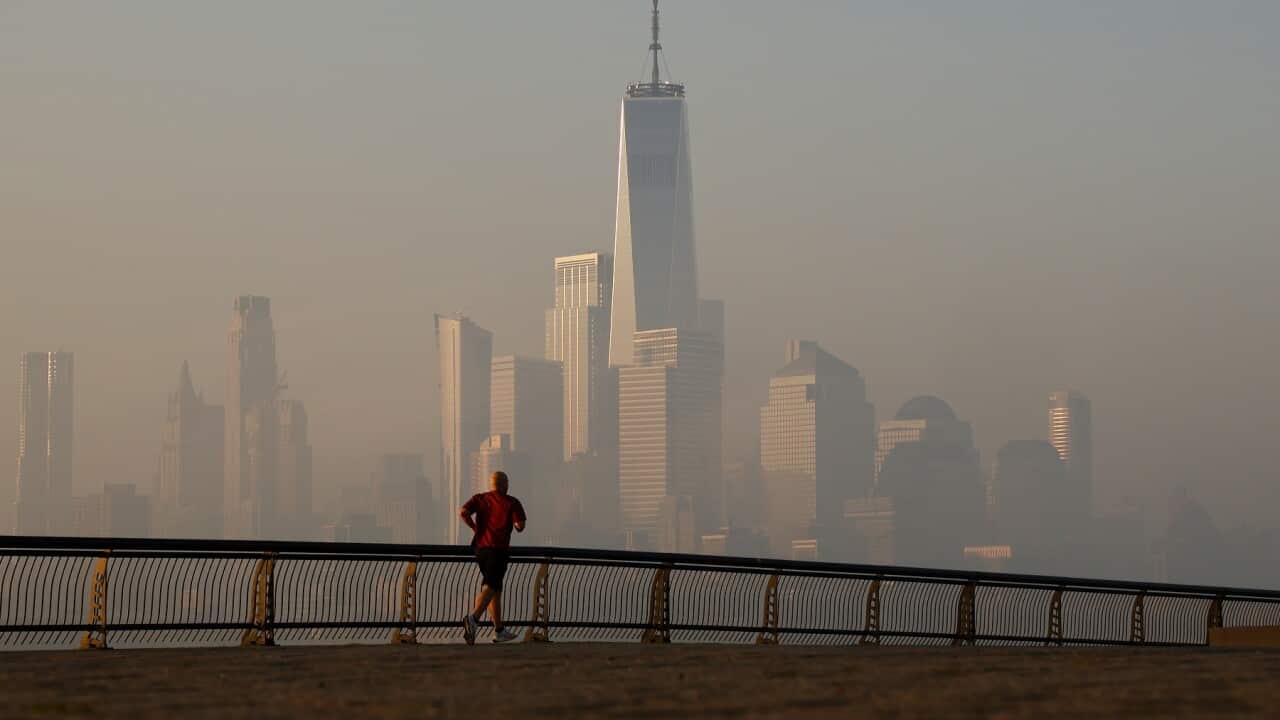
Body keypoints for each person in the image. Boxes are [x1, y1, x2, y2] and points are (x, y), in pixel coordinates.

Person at [460, 470, 527, 644]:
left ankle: (499, 630)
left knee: (494, 588)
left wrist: (475, 528)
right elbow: (520, 525)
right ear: (504, 484)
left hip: (480, 549)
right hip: (498, 550)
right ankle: (473, 619)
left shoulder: (480, 498)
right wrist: (515, 524)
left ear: (492, 484)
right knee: (491, 586)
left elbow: (463, 512)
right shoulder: (511, 502)